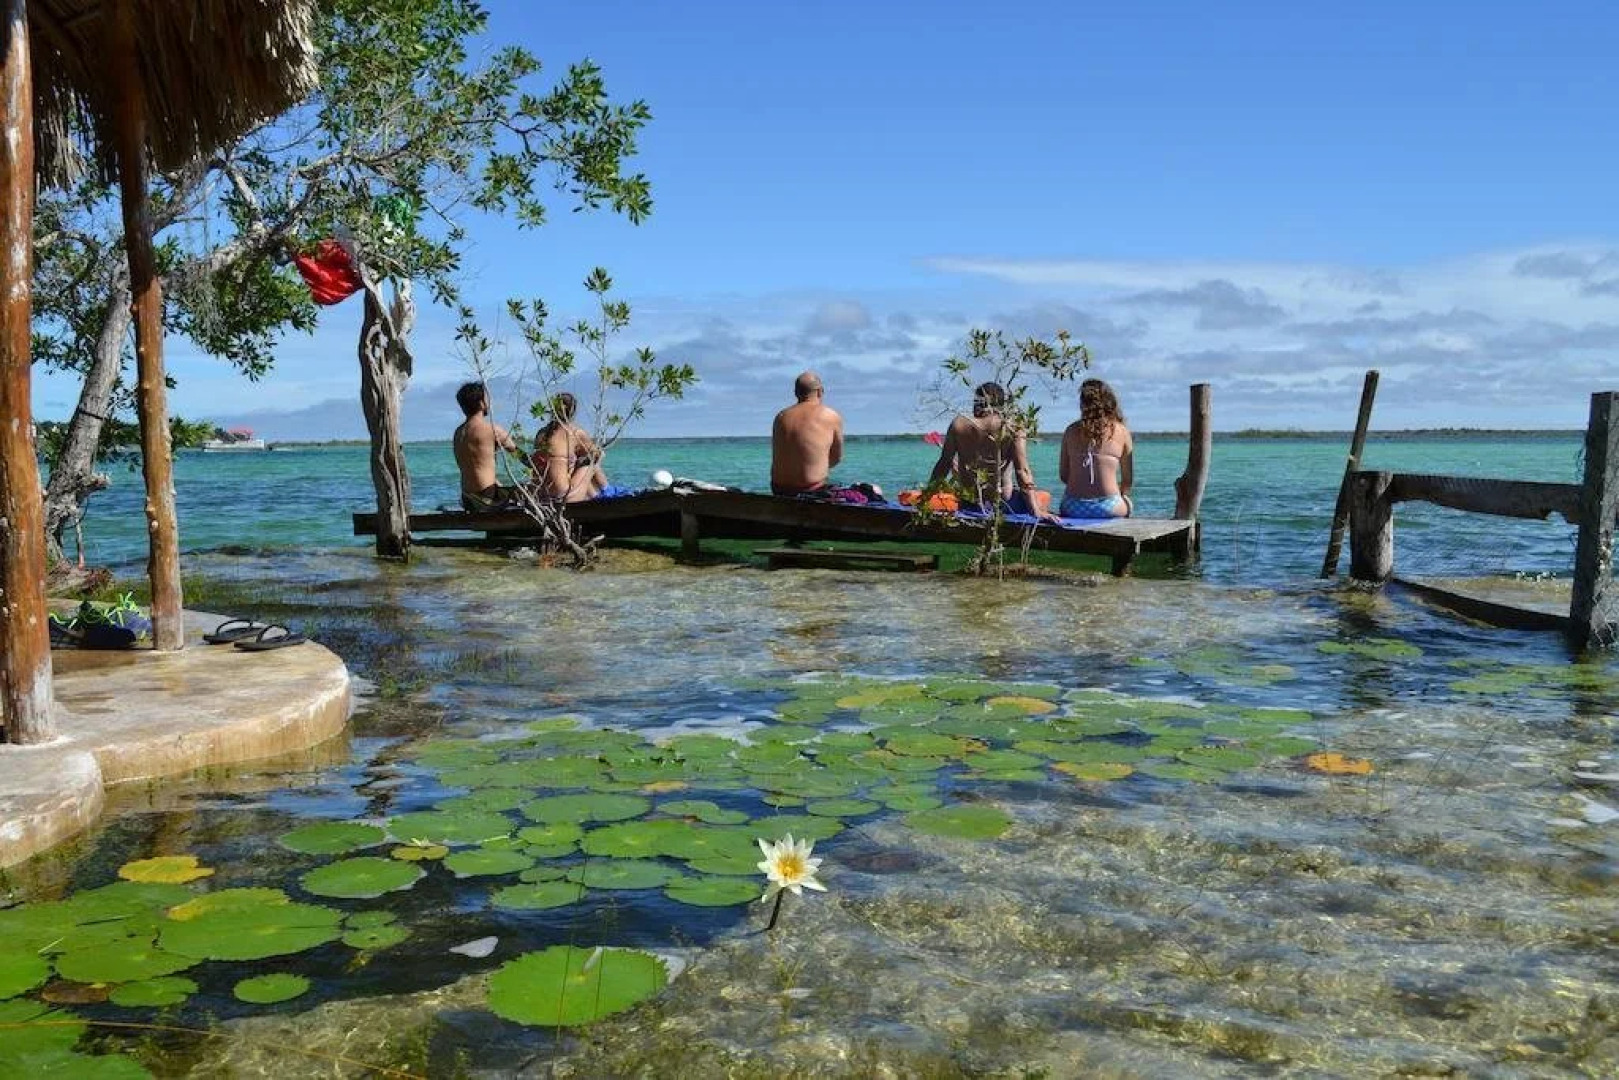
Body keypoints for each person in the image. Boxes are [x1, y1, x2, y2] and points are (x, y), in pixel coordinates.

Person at [927, 382, 1050, 515]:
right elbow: (1022, 471)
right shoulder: (1013, 426)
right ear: (1002, 404)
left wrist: (926, 498)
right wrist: (1036, 511)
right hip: (1002, 501)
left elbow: (944, 464)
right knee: (1039, 500)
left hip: (969, 501)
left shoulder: (959, 424)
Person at [1058, 378, 1134, 518]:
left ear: (1083, 404)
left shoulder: (1070, 430)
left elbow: (1063, 475)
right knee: (1128, 503)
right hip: (1109, 507)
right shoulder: (1121, 431)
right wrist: (1119, 493)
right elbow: (1127, 480)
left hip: (1072, 506)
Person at [452, 382, 530, 511]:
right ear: (482, 403)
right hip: (485, 500)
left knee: (503, 488)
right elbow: (519, 455)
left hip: (467, 498)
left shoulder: (458, 432)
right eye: (487, 399)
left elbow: (476, 468)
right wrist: (542, 467)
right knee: (528, 492)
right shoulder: (491, 430)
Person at [770, 371, 845, 496]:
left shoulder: (781, 416)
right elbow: (837, 458)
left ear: (795, 393)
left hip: (779, 489)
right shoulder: (830, 416)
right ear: (820, 391)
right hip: (811, 490)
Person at [533, 392, 609, 503]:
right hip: (563, 497)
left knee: (575, 463)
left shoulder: (541, 433)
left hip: (541, 496)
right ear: (573, 411)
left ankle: (596, 495)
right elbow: (598, 454)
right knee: (592, 461)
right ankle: (607, 491)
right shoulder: (575, 432)